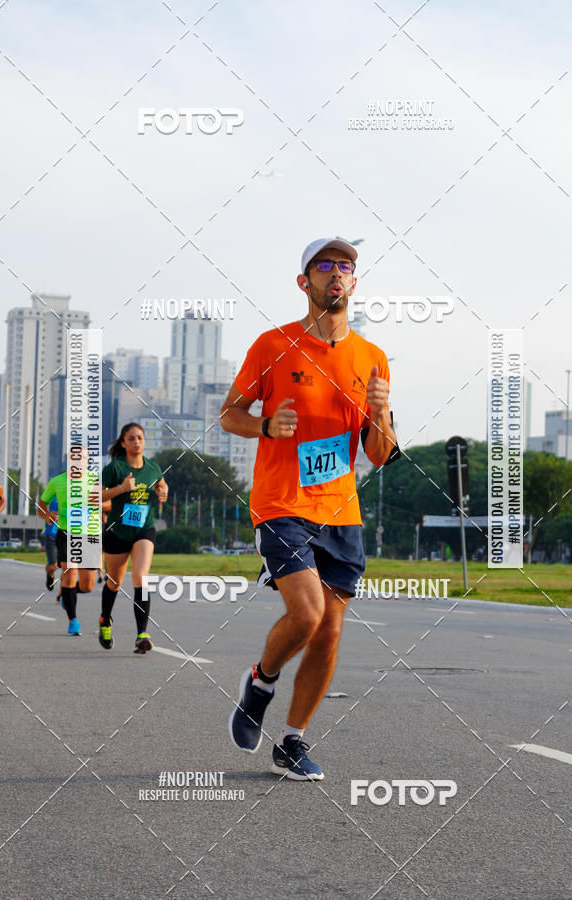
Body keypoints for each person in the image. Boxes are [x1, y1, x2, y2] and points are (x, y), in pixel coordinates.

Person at [222, 237, 400, 781]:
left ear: (354, 281)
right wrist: (265, 425)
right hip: (280, 502)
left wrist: (382, 413)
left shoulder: (371, 358)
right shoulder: (272, 345)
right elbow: (230, 415)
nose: (337, 275)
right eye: (325, 266)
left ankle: (292, 740)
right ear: (305, 283)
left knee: (329, 632)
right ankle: (261, 680)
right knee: (307, 613)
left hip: (340, 511)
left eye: (346, 267)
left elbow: (379, 454)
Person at [100, 422, 168, 653]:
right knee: (114, 583)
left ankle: (142, 634)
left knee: (141, 577)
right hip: (117, 532)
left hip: (143, 529)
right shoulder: (114, 468)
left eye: (139, 438)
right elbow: (95, 497)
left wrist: (163, 491)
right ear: (123, 443)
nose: (136, 442)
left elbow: (161, 483)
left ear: (144, 441)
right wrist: (121, 488)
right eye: (131, 438)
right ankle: (105, 620)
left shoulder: (153, 467)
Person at [38, 461, 100, 635]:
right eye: (75, 457)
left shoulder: (95, 480)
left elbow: (109, 504)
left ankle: (67, 593)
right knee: (70, 572)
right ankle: (73, 621)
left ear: (88, 461)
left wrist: (96, 502)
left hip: (90, 534)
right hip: (65, 533)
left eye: (83, 458)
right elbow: (41, 505)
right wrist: (47, 515)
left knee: (88, 586)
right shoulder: (57, 481)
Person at [41, 497, 59, 592]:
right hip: (52, 533)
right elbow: (41, 507)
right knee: (53, 566)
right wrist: (48, 515)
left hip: (68, 534)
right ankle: (49, 575)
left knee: (68, 567)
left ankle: (66, 591)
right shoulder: (53, 490)